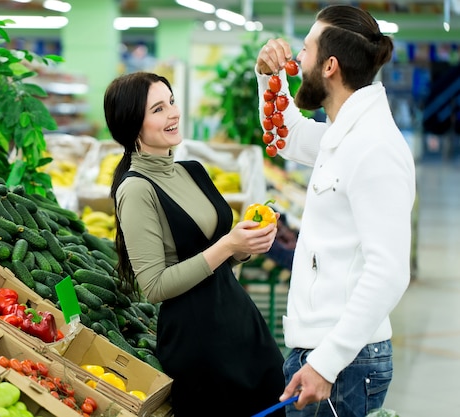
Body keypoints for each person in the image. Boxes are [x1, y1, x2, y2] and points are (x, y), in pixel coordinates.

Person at [255, 5, 416, 417]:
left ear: (329, 66)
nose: (297, 59)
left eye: (305, 50)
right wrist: (267, 76)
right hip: (326, 354)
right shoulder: (344, 134)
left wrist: (326, 363)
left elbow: (389, 271)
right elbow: (287, 137)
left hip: (342, 363)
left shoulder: (374, 147)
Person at [104, 71, 286, 417]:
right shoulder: (136, 188)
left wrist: (245, 245)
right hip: (199, 344)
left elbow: (219, 254)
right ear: (133, 126)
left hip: (241, 324)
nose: (173, 113)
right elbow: (154, 286)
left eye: (171, 101)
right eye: (158, 109)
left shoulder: (192, 171)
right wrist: (227, 246)